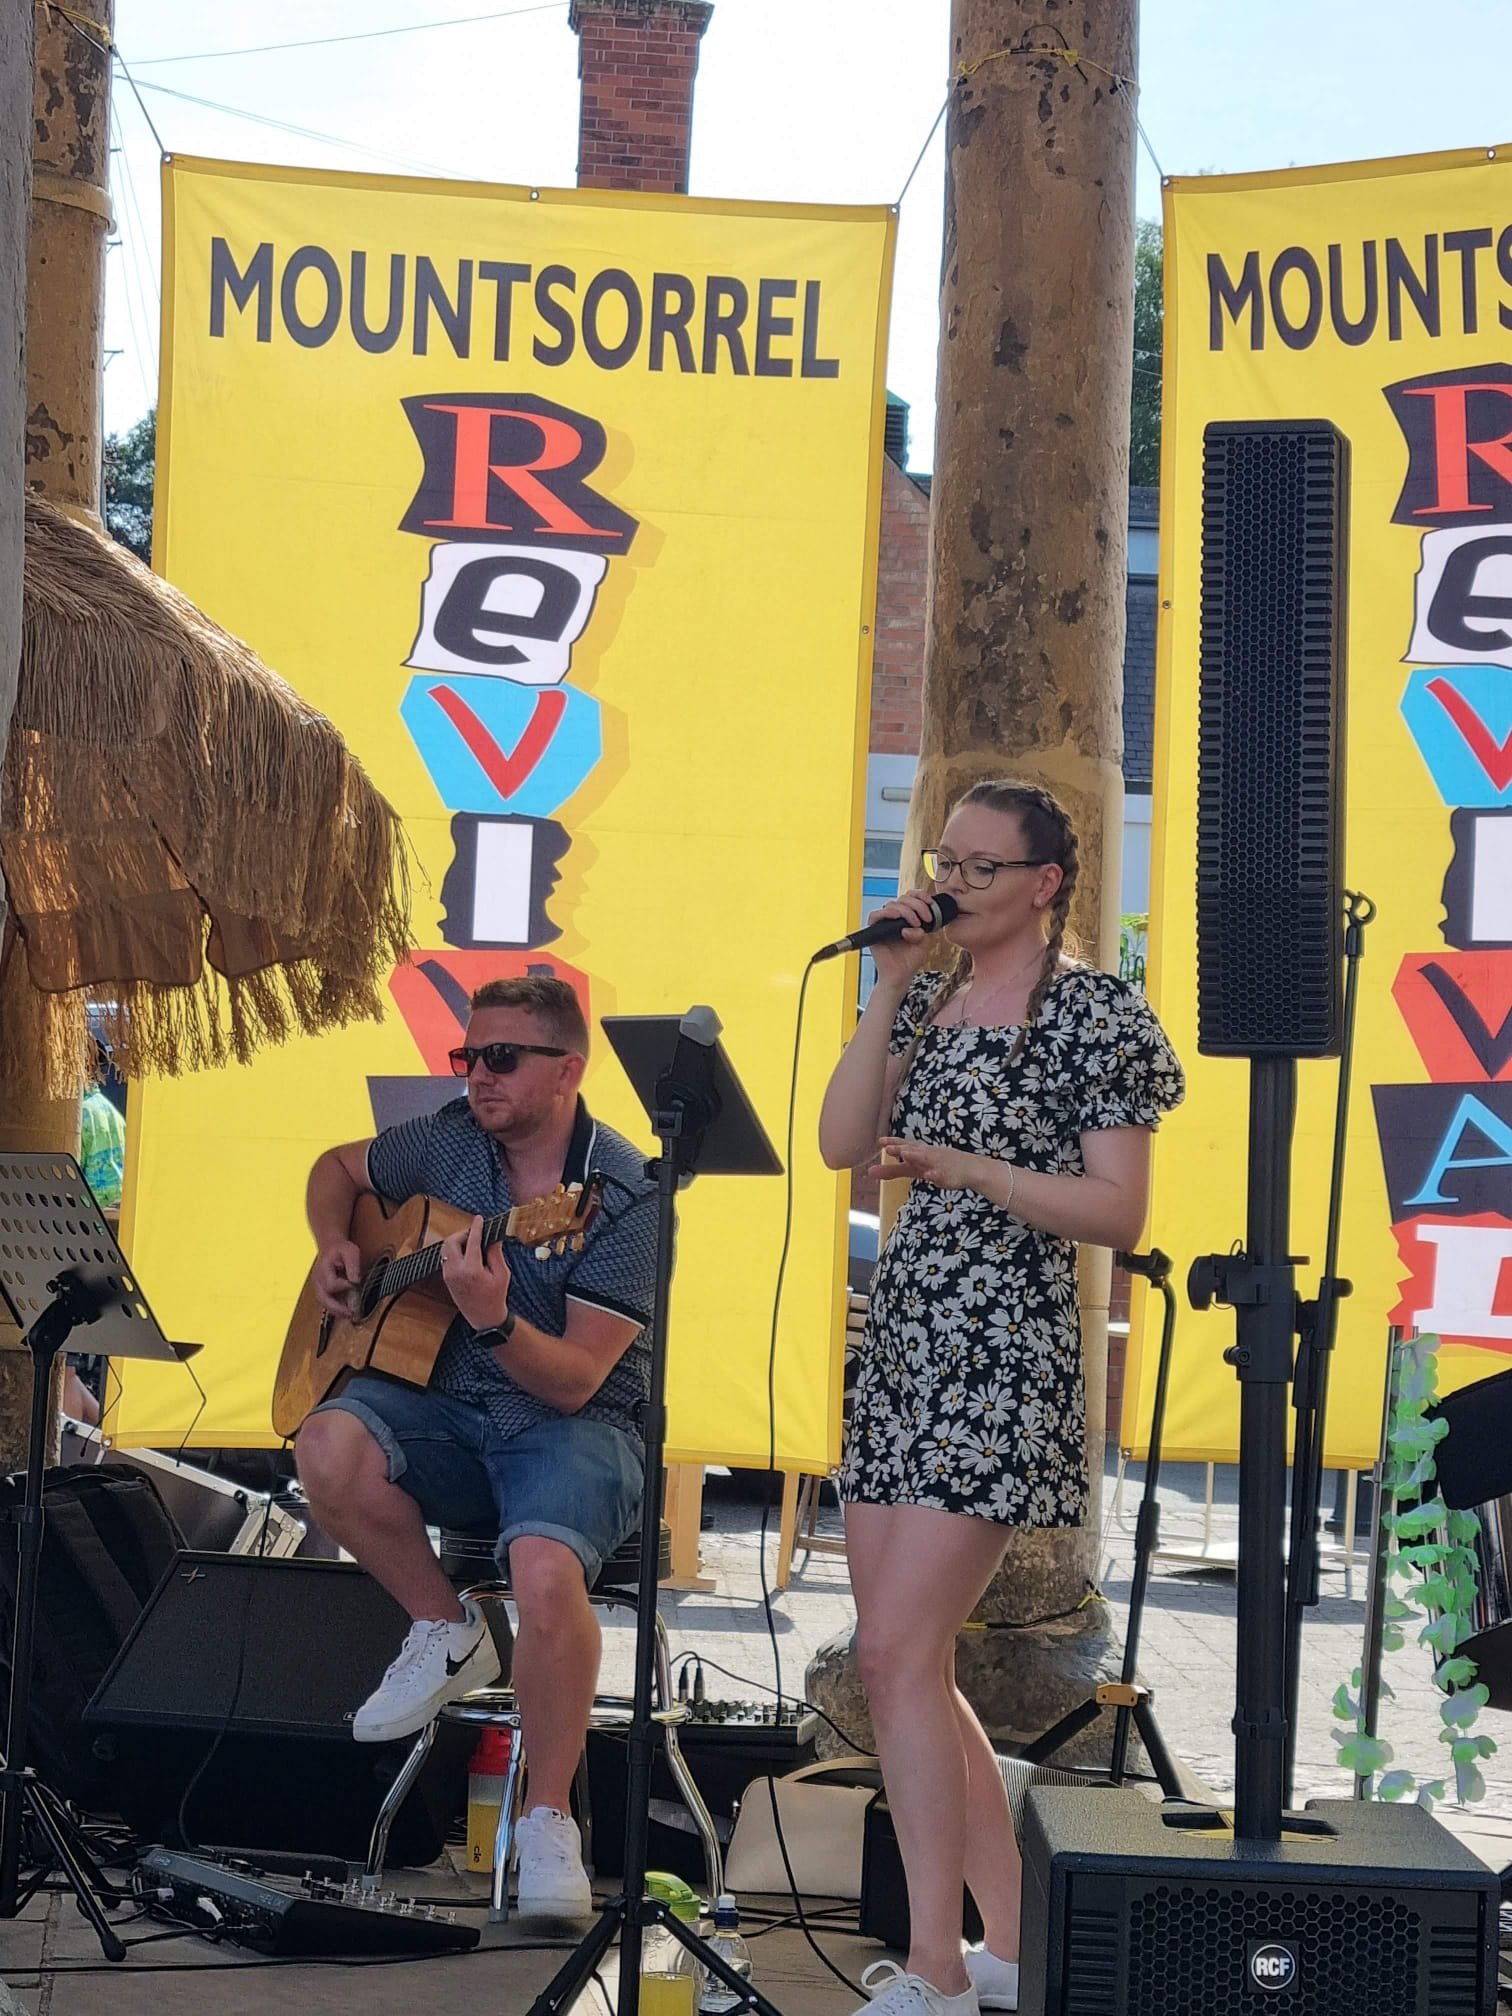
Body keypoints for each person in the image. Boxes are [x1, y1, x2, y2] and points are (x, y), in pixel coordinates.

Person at [819, 780, 1184, 2016]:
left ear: (1045, 884)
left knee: (898, 1649)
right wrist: (886, 986)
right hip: (911, 1337)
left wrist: (966, 1167)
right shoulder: (923, 993)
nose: (953, 882)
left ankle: (935, 1971)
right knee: (907, 1668)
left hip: (1003, 1347)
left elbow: (1117, 1211)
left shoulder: (1094, 1015)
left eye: (981, 868)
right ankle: (1016, 1949)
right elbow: (837, 1139)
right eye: (944, 861)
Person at [294, 976, 657, 1922]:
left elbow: (577, 1377)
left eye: (500, 1058)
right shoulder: (450, 1136)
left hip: (576, 1430)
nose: (476, 1076)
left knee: (541, 1572)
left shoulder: (620, 1193)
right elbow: (336, 1166)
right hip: (448, 1412)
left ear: (568, 1068)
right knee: (325, 1439)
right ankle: (442, 1626)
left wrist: (492, 1320)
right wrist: (337, 1245)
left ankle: (547, 1822)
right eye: (468, 1055)